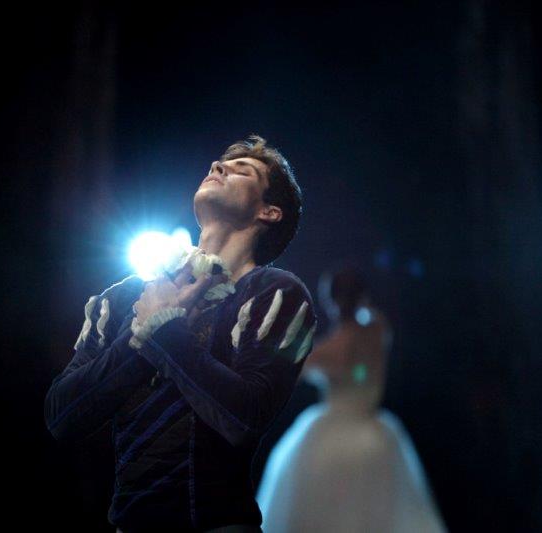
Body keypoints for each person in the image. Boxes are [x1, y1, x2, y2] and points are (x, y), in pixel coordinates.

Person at [44, 135, 318, 532]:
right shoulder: (124, 297)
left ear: (269, 212)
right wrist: (140, 337)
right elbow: (62, 417)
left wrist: (166, 330)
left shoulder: (274, 293)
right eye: (219, 164)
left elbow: (243, 419)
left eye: (243, 170)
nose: (218, 167)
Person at [256, 268, 447, 532]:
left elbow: (290, 372)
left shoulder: (330, 348)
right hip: (376, 436)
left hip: (331, 440)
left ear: (330, 300)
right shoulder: (378, 328)